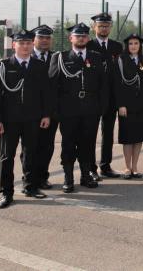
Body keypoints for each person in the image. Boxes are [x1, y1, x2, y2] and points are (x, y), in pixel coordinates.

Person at [0, 29, 53, 209]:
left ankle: (30, 186)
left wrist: (46, 114)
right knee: (6, 156)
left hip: (32, 118)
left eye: (28, 43)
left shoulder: (39, 65)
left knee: (30, 153)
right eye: (21, 43)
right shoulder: (3, 66)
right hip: (9, 120)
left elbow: (45, 93)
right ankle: (6, 192)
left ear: (32, 44)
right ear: (14, 45)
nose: (25, 46)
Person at [48, 23, 109, 193]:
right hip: (68, 110)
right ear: (71, 38)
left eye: (84, 36)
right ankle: (68, 178)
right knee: (68, 144)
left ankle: (85, 176)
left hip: (90, 110)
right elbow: (52, 86)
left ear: (88, 38)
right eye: (78, 36)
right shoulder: (60, 58)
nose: (81, 38)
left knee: (87, 144)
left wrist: (102, 107)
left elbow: (103, 85)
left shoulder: (96, 57)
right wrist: (55, 110)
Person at [86, 12, 123, 180]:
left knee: (108, 134)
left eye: (106, 26)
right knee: (90, 134)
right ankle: (90, 168)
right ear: (94, 27)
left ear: (110, 27)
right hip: (93, 97)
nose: (103, 29)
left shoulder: (117, 47)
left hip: (111, 97)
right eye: (100, 26)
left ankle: (105, 166)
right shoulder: (88, 45)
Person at [115, 34, 143, 179]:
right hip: (127, 105)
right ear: (127, 46)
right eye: (130, 43)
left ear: (140, 45)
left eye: (136, 43)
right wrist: (121, 104)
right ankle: (127, 167)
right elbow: (117, 84)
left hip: (142, 104)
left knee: (139, 137)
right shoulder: (121, 60)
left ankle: (135, 167)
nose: (133, 46)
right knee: (128, 137)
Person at [28, 24, 56, 190]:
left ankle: (43, 177)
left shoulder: (56, 57)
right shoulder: (26, 56)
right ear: (34, 39)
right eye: (41, 37)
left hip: (51, 111)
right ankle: (30, 179)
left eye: (47, 38)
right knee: (30, 147)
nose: (45, 40)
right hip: (30, 111)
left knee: (47, 146)